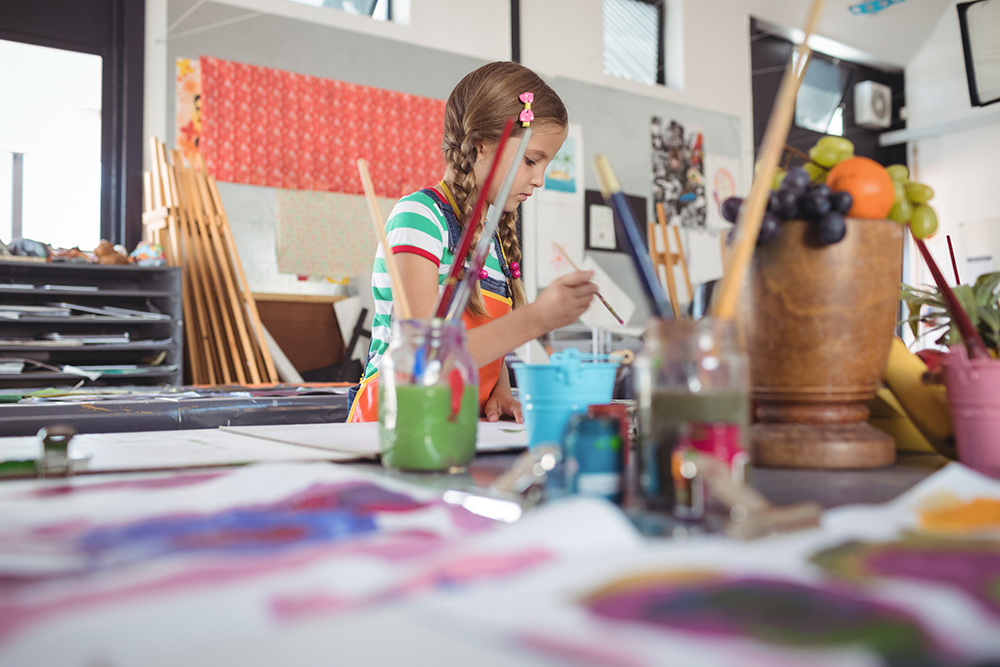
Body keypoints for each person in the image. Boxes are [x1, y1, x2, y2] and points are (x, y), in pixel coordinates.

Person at [347, 61, 599, 424]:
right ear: (479, 147)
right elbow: (423, 360)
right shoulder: (421, 217)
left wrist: (501, 388)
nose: (539, 180)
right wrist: (535, 318)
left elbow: (483, 343)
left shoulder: (493, 237)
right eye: (531, 161)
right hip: (391, 428)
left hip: (454, 428)